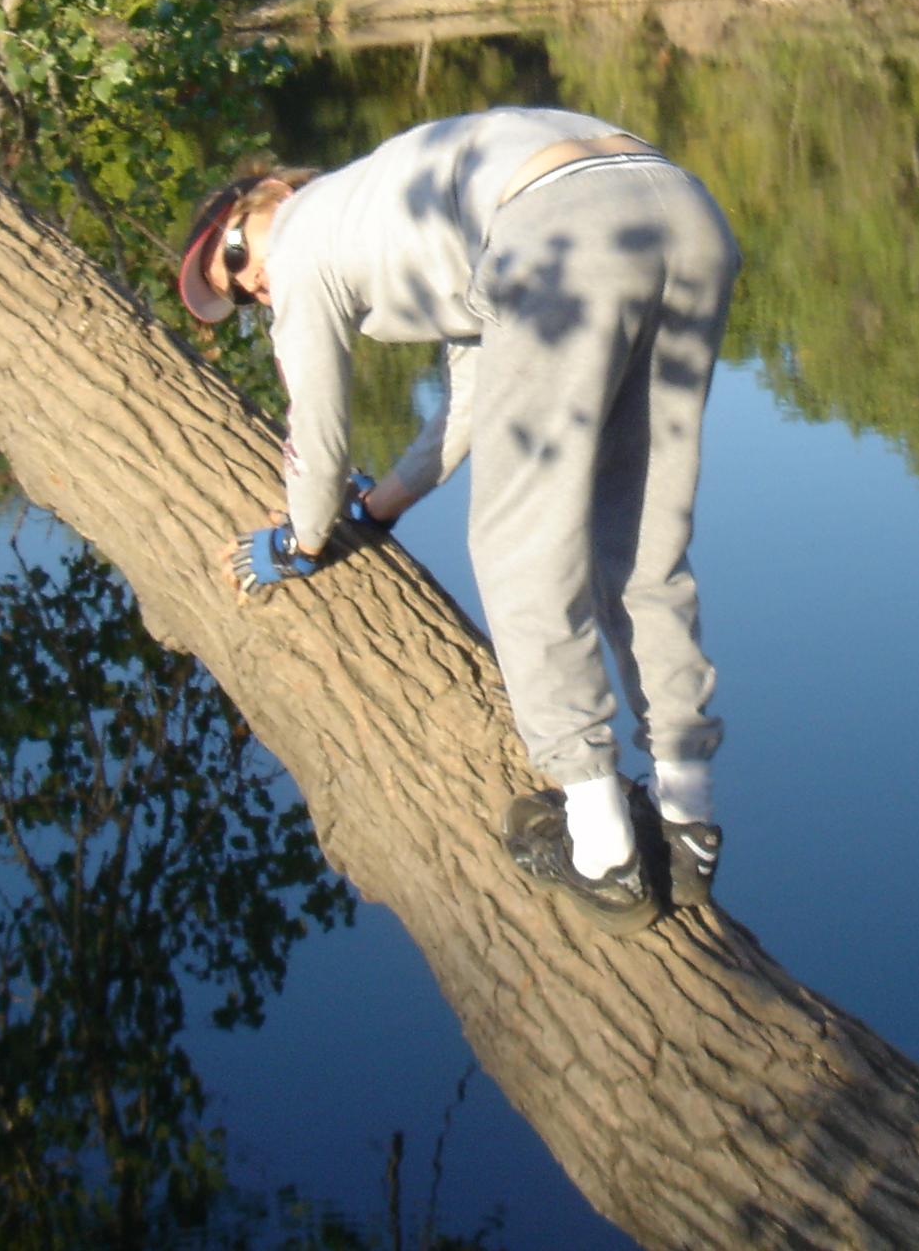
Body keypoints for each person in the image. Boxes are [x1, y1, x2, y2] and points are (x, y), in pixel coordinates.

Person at [176, 108, 738, 935]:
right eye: (239, 297)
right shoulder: (398, 204)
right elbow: (471, 402)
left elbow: (319, 432)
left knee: (519, 546)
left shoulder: (300, 239)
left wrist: (300, 539)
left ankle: (603, 852)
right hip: (680, 211)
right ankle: (688, 825)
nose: (253, 285)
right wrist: (382, 506)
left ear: (272, 197)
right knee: (642, 537)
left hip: (561, 231)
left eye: (234, 257)